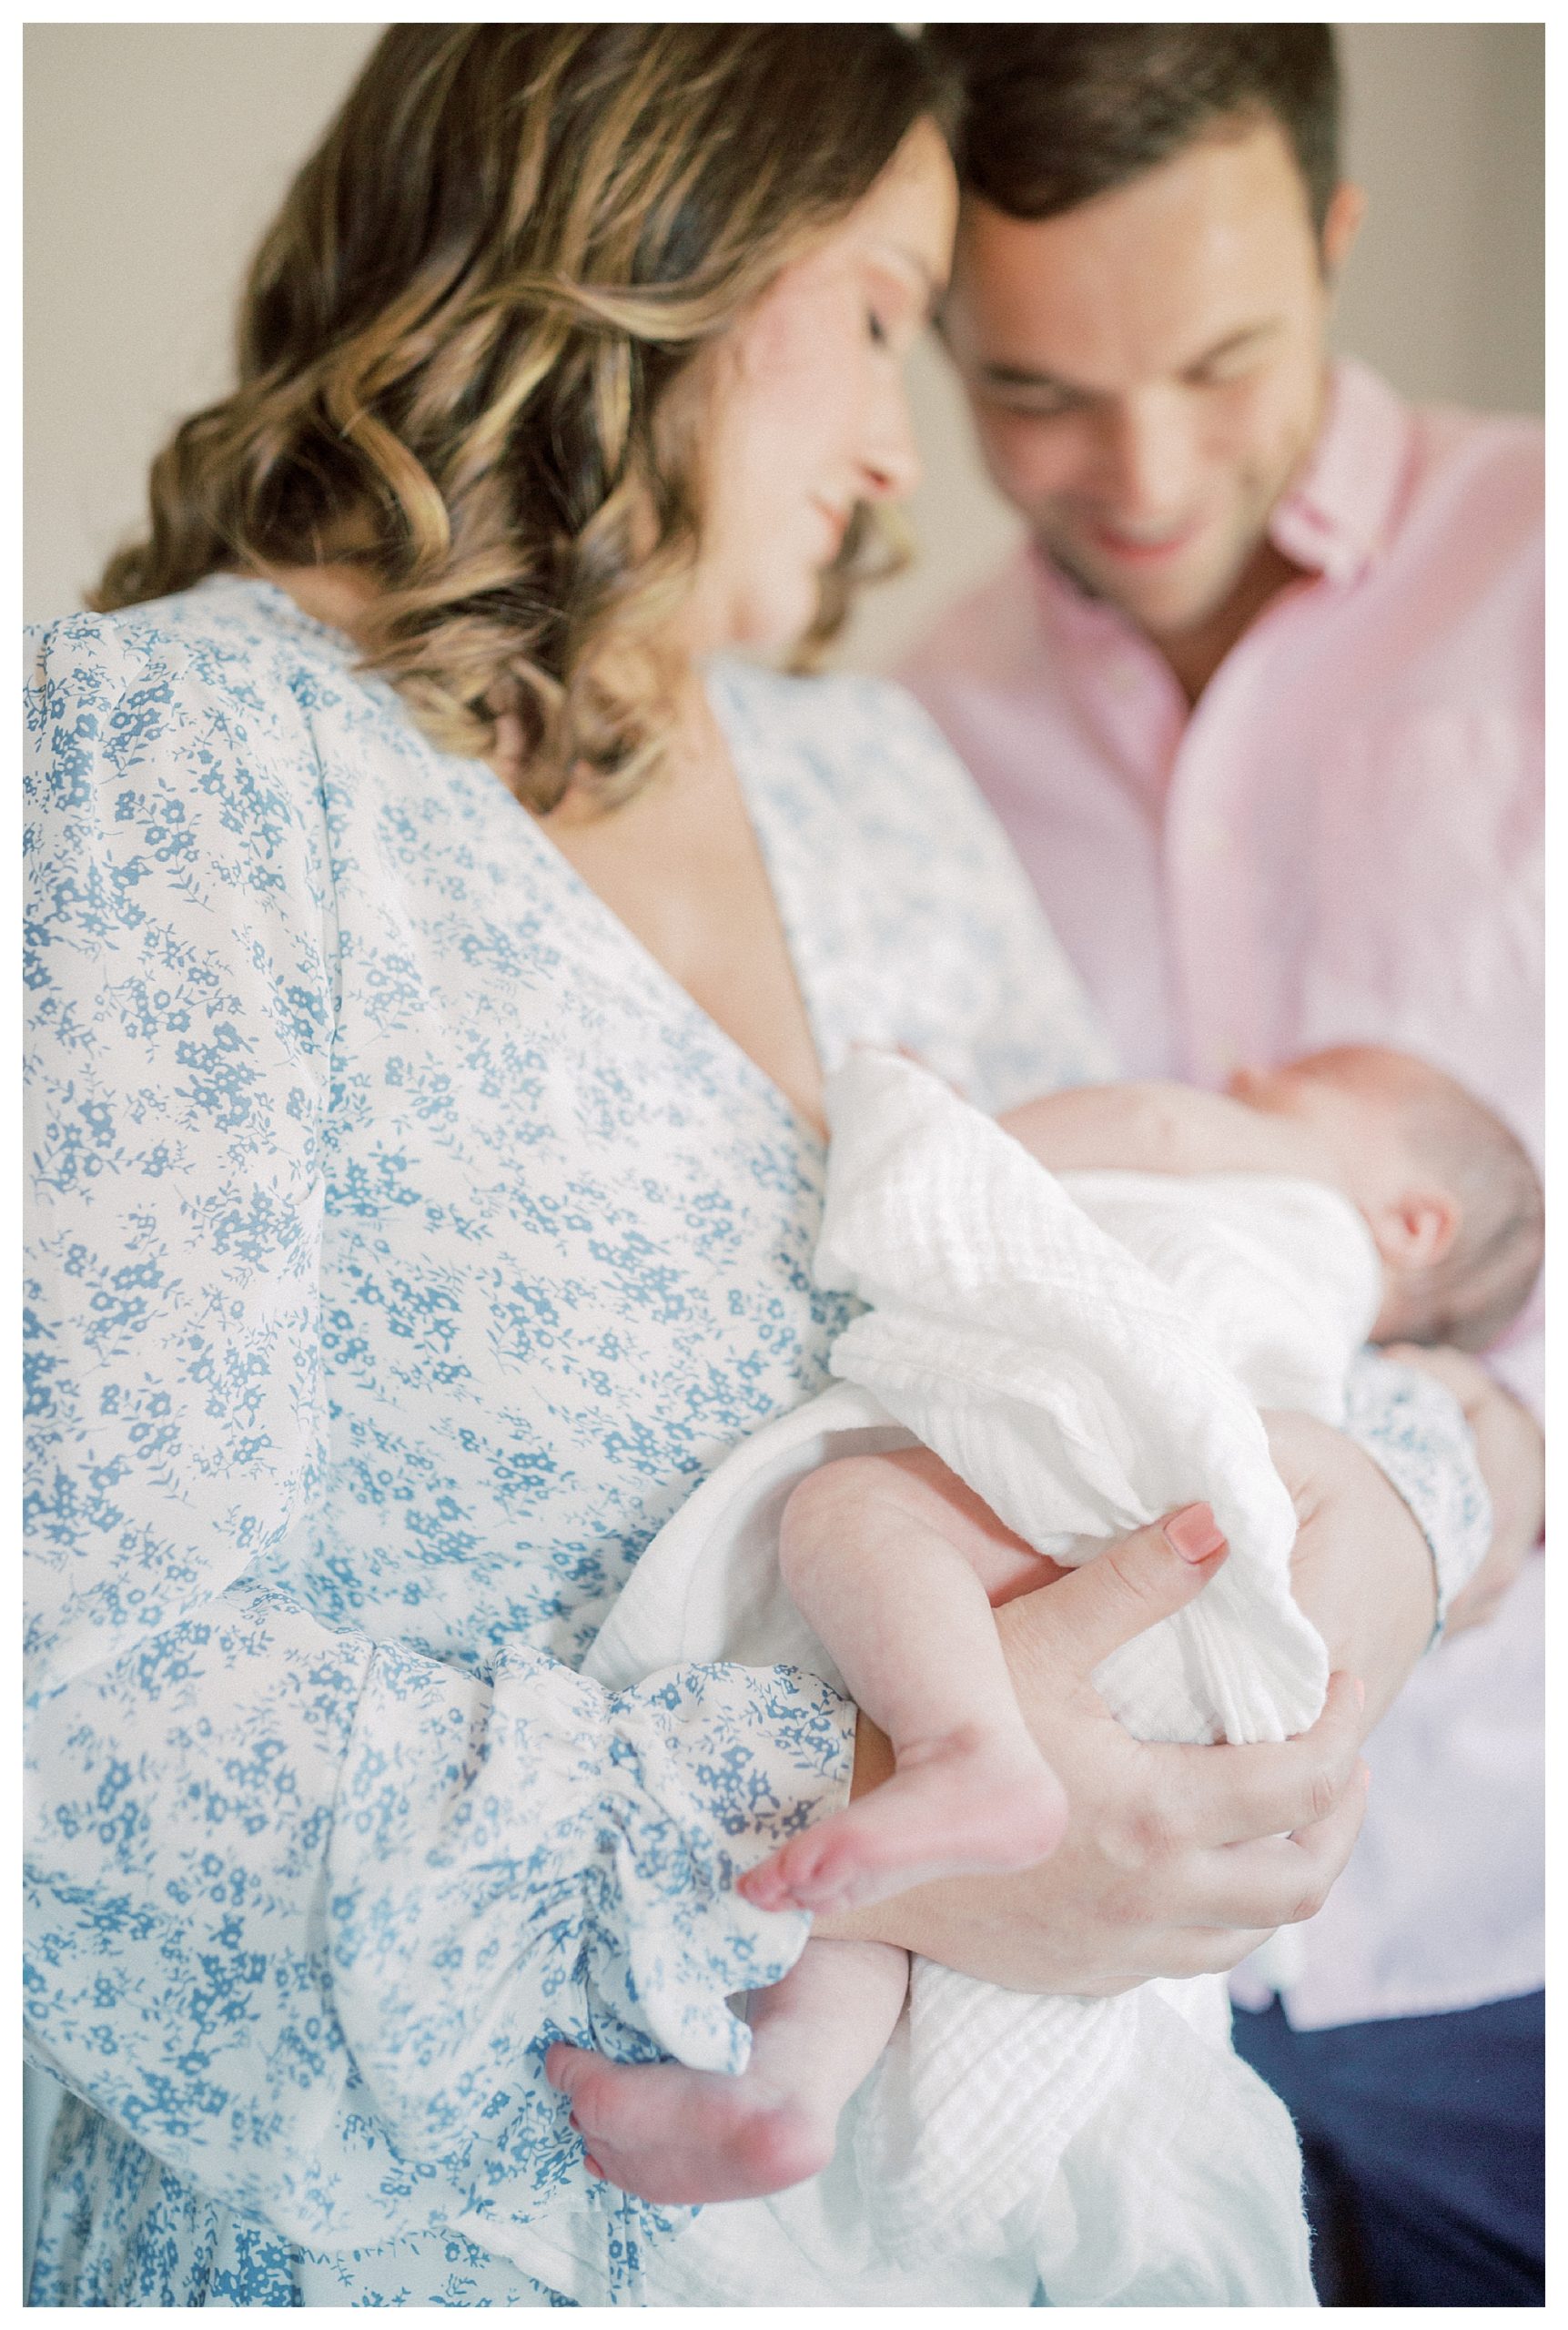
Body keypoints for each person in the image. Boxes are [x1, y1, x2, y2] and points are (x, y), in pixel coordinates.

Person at [23, 25, 1485, 2311]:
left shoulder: (875, 781)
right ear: (668, 241)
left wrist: (1371, 1551)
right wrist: (859, 1823)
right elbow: (80, 1714)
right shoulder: (174, 770)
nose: (907, 457)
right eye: (894, 314)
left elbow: (1163, 1281)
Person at [910, 24, 1544, 2307]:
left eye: (1217, 359)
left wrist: (1497, 1453)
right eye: (1035, 392)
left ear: (1336, 240)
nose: (1140, 467)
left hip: (1518, 1906)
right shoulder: (914, 731)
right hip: (1088, 1978)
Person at [546, 1041, 1540, 2210]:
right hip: (1192, 1589)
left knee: (854, 1511)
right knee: (898, 1880)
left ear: (1414, 1222)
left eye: (1286, 1084)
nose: (1239, 1077)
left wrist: (959, 1141)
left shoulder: (1280, 1187)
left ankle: (967, 1753)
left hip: (1130, 1457)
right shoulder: (1345, 1349)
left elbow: (1147, 1124)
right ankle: (788, 2092)